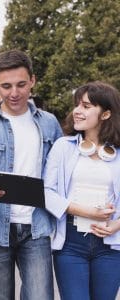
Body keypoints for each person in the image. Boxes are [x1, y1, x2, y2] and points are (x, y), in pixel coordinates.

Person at [0, 49, 63, 300]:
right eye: (6, 86)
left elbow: (62, 171)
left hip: (37, 228)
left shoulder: (49, 123)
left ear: (32, 81)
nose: (14, 93)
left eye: (21, 84)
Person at [44, 81, 120, 300]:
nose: (77, 111)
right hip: (71, 243)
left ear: (105, 114)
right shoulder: (63, 147)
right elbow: (47, 192)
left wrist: (116, 224)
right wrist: (87, 212)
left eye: (86, 106)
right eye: (77, 105)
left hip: (111, 245)